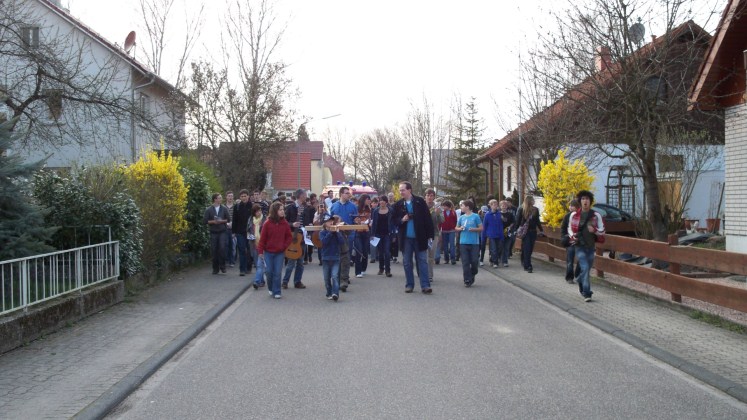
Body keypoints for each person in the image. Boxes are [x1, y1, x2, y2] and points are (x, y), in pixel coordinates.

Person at [392, 181, 434, 294]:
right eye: (400, 190)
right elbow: (394, 220)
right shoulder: (398, 205)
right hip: (406, 239)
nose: (401, 192)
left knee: (422, 261)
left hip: (420, 237)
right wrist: (402, 220)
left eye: (403, 190)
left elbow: (427, 219)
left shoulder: (420, 202)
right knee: (407, 262)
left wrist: (430, 236)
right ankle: (409, 285)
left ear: (409, 190)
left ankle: (425, 285)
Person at [568, 191, 605, 302]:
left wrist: (594, 230)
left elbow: (602, 231)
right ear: (580, 201)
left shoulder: (596, 215)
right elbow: (569, 229)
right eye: (583, 199)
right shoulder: (574, 215)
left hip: (591, 246)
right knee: (584, 267)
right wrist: (573, 236)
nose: (585, 201)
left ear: (590, 201)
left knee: (586, 270)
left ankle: (579, 280)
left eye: (587, 199)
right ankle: (587, 293)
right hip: (579, 246)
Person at [257, 202, 292, 299]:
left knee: (277, 272)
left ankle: (277, 291)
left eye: (283, 210)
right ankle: (271, 287)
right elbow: (262, 239)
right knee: (269, 271)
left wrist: (284, 246)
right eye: (280, 210)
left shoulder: (284, 223)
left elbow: (289, 237)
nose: (282, 211)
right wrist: (260, 252)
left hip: (279, 253)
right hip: (268, 252)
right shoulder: (267, 223)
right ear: (275, 211)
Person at [329, 186, 358, 292]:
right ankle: (338, 278)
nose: (349, 195)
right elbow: (329, 220)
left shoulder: (353, 206)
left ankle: (344, 280)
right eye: (347, 193)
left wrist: (358, 221)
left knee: (346, 258)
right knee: (337, 258)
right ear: (341, 194)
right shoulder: (333, 206)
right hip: (336, 236)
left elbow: (356, 220)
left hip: (348, 236)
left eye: (349, 193)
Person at [281, 189, 308, 289]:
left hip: (302, 237)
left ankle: (297, 281)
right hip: (293, 237)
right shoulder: (290, 208)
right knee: (291, 261)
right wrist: (292, 224)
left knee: (300, 263)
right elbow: (284, 222)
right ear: (300, 196)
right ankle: (285, 281)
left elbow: (307, 221)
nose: (306, 196)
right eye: (305, 195)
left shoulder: (305, 208)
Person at [456, 199, 483, 287]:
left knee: (474, 261)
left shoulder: (475, 216)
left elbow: (481, 228)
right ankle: (467, 279)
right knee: (465, 262)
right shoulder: (461, 217)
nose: (461, 207)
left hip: (474, 242)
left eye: (462, 206)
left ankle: (473, 272)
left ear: (467, 207)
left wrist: (474, 229)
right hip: (463, 242)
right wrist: (460, 229)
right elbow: (456, 227)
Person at [515, 195, 544, 273]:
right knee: (527, 247)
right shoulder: (522, 209)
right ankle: (528, 265)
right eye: (532, 200)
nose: (533, 201)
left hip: (533, 231)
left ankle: (524, 260)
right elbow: (518, 220)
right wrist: (515, 229)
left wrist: (541, 230)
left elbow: (537, 221)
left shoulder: (535, 210)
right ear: (529, 201)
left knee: (530, 248)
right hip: (525, 231)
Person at [203, 193, 231, 274]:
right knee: (214, 250)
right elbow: (205, 221)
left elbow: (228, 219)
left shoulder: (224, 208)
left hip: (222, 231)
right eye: (219, 198)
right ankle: (215, 268)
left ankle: (222, 266)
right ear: (215, 199)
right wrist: (213, 222)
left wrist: (221, 221)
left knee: (222, 248)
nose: (220, 199)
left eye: (221, 198)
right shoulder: (209, 209)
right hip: (213, 232)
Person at [319, 214, 344, 302]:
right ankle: (329, 292)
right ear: (325, 223)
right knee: (326, 278)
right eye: (328, 221)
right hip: (326, 258)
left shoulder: (336, 232)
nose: (330, 222)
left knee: (334, 276)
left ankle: (335, 293)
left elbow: (341, 242)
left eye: (331, 221)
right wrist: (330, 233)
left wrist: (337, 233)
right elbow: (324, 242)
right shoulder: (322, 232)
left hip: (335, 257)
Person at [370, 195, 394, 277]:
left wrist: (394, 235)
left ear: (386, 202)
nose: (382, 202)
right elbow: (373, 224)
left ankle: (388, 270)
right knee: (380, 253)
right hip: (378, 234)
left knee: (387, 252)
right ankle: (381, 268)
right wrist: (372, 234)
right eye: (381, 200)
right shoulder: (375, 211)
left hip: (387, 234)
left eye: (384, 200)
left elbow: (393, 224)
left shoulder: (390, 210)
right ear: (379, 202)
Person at [232, 189, 253, 276]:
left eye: (245, 196)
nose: (243, 198)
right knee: (241, 250)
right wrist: (233, 232)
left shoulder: (252, 206)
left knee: (249, 250)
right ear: (240, 197)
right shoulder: (237, 207)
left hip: (250, 232)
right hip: (240, 231)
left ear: (248, 196)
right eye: (242, 196)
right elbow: (234, 220)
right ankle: (242, 269)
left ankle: (249, 267)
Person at [560, 199, 582, 283]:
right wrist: (564, 236)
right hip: (570, 241)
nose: (570, 207)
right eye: (570, 206)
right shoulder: (567, 216)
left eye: (572, 206)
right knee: (570, 260)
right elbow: (563, 228)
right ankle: (569, 277)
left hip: (579, 241)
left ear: (577, 207)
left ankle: (577, 274)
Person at [425, 188, 444, 281]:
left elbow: (442, 220)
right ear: (425, 196)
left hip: (434, 233)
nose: (429, 197)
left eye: (431, 195)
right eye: (428, 195)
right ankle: (422, 273)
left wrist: (437, 214)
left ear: (434, 197)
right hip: (423, 233)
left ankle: (430, 275)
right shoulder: (421, 206)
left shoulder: (437, 207)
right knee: (422, 255)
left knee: (431, 255)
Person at [481, 199, 504, 269]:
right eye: (493, 205)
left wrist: (502, 234)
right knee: (493, 248)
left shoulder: (499, 214)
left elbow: (501, 225)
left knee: (499, 248)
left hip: (499, 234)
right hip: (491, 234)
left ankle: (492, 259)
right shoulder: (487, 215)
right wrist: (483, 235)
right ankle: (495, 262)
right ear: (490, 206)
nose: (495, 206)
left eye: (496, 205)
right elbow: (484, 225)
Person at [353, 194, 372, 278]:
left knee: (365, 251)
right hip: (358, 231)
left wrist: (369, 222)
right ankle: (358, 271)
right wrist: (359, 222)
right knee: (359, 251)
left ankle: (363, 269)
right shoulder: (357, 208)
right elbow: (354, 219)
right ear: (364, 199)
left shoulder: (369, 209)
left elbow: (370, 220)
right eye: (368, 199)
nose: (369, 201)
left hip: (366, 231)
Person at [249, 204, 266, 287]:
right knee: (257, 264)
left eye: (260, 210)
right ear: (254, 212)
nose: (259, 212)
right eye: (257, 211)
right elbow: (248, 230)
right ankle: (261, 281)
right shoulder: (250, 220)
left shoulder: (265, 219)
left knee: (260, 264)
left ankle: (257, 281)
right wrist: (250, 235)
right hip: (254, 243)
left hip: (263, 244)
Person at [439, 200, 457, 265]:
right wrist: (439, 229)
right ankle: (446, 259)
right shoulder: (442, 213)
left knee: (452, 245)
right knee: (445, 246)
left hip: (451, 230)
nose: (444, 207)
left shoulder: (453, 212)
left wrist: (454, 227)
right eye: (443, 206)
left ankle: (453, 259)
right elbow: (440, 222)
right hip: (444, 230)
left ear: (448, 206)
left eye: (445, 206)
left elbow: (455, 221)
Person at [498, 200, 515, 267]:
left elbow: (513, 222)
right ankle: (499, 258)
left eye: (505, 205)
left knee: (506, 247)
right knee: (500, 247)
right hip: (500, 232)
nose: (504, 207)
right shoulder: (498, 214)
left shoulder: (510, 214)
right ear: (500, 206)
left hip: (508, 232)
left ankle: (505, 261)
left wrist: (509, 227)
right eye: (502, 205)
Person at [303, 193, 318, 264]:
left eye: (309, 201)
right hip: (305, 226)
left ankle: (309, 254)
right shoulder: (304, 209)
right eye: (307, 201)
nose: (308, 203)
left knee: (310, 242)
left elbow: (314, 217)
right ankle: (305, 258)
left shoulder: (313, 209)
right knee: (305, 242)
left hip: (311, 226)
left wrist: (312, 223)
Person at [224, 191, 236, 267]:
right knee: (226, 244)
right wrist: (226, 223)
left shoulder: (236, 206)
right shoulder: (223, 207)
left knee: (233, 245)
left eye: (231, 196)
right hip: (225, 227)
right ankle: (226, 260)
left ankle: (232, 261)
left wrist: (233, 224)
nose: (230, 197)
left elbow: (237, 218)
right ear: (226, 197)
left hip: (233, 228)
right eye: (229, 196)